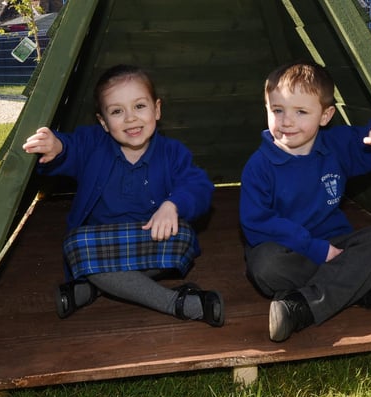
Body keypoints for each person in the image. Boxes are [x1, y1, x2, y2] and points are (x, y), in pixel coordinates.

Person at [22, 64, 224, 327]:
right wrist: (56, 146)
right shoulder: (93, 144)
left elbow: (199, 185)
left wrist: (172, 205)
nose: (130, 118)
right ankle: (176, 303)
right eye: (117, 111)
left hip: (151, 239)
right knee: (76, 244)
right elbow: (70, 147)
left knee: (183, 236)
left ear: (157, 109)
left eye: (139, 106)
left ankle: (96, 286)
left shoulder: (172, 152)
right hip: (101, 246)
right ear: (104, 123)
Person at [239, 60, 371, 342]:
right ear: (266, 109)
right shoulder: (259, 166)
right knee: (265, 268)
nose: (287, 121)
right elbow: (256, 223)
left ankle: (300, 308)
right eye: (277, 110)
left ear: (325, 115)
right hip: (288, 249)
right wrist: (315, 250)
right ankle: (360, 289)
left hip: (336, 243)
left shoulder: (335, 145)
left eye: (301, 112)